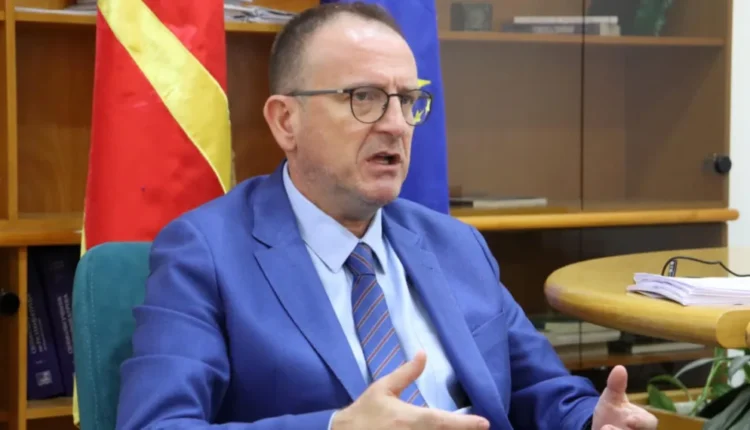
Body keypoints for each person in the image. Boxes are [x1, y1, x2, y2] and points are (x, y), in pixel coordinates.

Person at [115, 3, 659, 430]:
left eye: (407, 100)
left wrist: (591, 421)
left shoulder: (455, 245)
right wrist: (336, 427)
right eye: (365, 97)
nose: (396, 124)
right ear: (286, 122)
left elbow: (541, 393)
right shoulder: (206, 253)